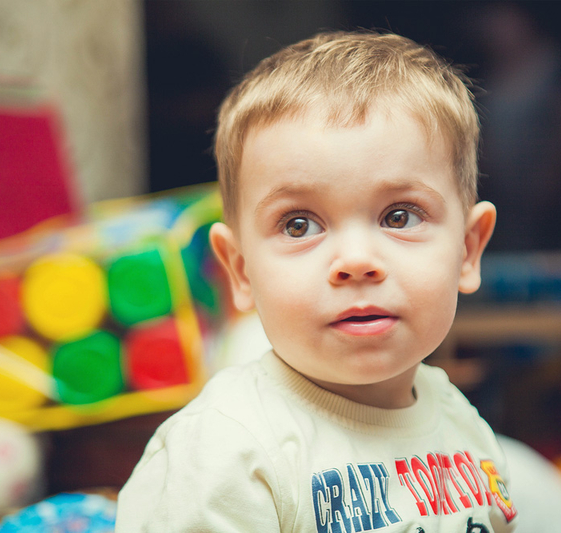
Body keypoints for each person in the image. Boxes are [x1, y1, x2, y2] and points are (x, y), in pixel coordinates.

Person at [116, 30, 516, 533]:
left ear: (467, 250)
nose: (356, 261)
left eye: (399, 216)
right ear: (239, 270)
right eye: (299, 225)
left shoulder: (461, 422)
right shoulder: (225, 454)